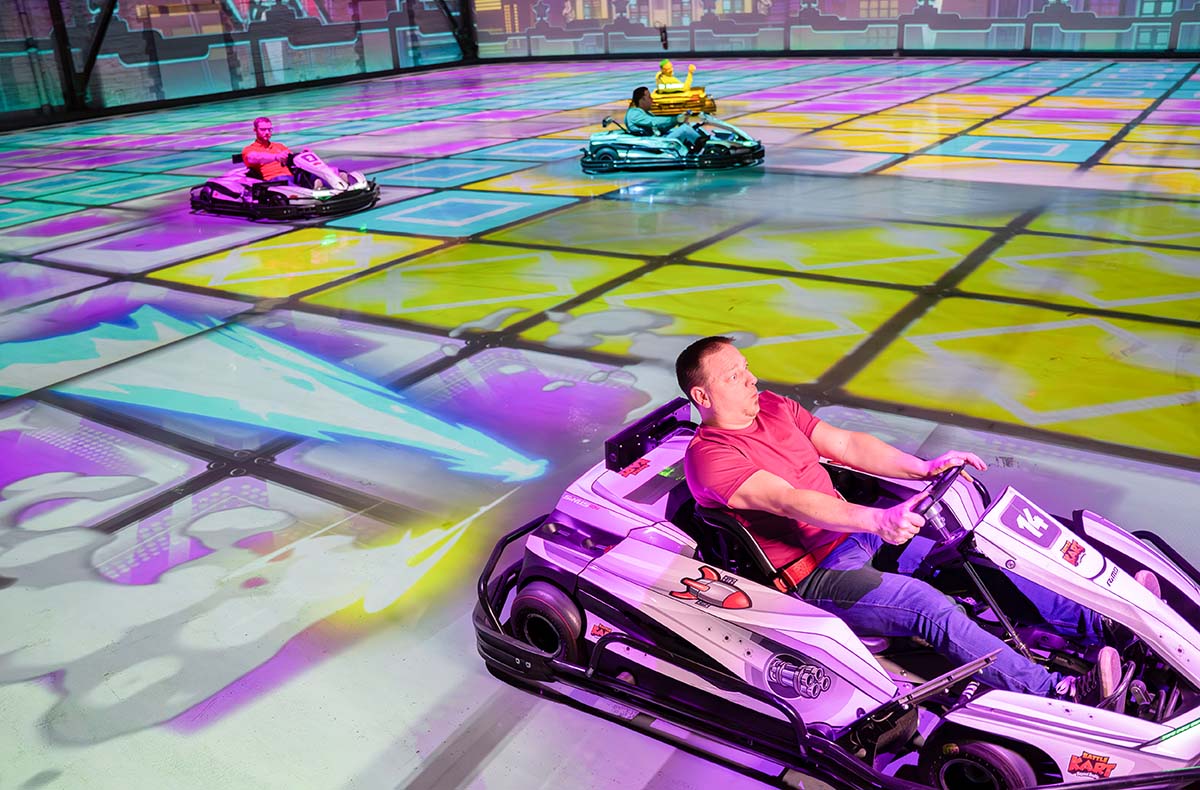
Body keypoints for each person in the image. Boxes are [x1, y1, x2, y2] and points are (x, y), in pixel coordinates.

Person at [677, 335, 1131, 705]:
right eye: (735, 376)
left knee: (972, 555)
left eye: (747, 368)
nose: (752, 379)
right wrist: (878, 520)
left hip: (856, 536)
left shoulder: (774, 407)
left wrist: (923, 468)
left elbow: (847, 445)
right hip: (817, 574)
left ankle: (1103, 626)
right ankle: (1060, 694)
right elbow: (791, 501)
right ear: (703, 396)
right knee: (924, 605)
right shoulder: (710, 457)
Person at [625, 87, 708, 154]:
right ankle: (705, 147)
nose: (652, 100)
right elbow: (655, 122)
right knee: (685, 129)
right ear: (642, 99)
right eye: (649, 97)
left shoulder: (644, 112)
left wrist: (678, 120)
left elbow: (661, 127)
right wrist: (675, 119)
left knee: (689, 126)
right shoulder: (634, 114)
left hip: (656, 140)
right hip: (654, 143)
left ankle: (699, 145)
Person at [242, 117, 292, 181]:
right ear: (255, 130)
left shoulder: (279, 146)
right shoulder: (249, 149)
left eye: (269, 129)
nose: (267, 132)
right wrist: (276, 157)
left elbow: (292, 158)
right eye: (263, 129)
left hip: (290, 177)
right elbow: (253, 157)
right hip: (274, 181)